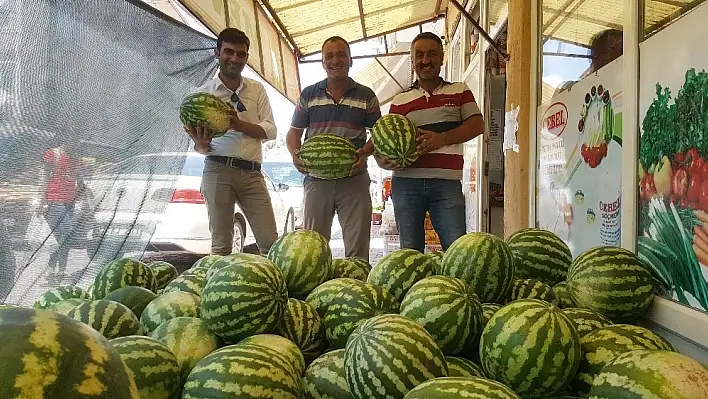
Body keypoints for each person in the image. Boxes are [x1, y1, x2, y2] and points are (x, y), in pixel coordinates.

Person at [377, 32, 485, 253]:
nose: (425, 61)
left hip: (446, 183)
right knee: (410, 252)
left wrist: (441, 139)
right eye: (420, 55)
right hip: (406, 183)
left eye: (431, 54)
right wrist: (383, 162)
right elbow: (384, 139)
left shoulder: (460, 90)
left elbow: (477, 125)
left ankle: (453, 287)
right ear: (413, 60)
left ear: (442, 58)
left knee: (457, 250)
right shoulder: (400, 100)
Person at [184, 28, 278, 256]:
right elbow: (199, 147)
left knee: (271, 244)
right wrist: (202, 143)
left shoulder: (256, 89)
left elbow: (271, 130)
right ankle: (219, 290)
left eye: (241, 54)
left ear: (246, 57)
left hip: (253, 174)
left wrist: (239, 125)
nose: (235, 59)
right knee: (221, 246)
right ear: (217, 53)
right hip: (218, 170)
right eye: (229, 52)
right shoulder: (203, 95)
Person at [286, 36, 382, 261]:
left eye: (341, 55)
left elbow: (379, 133)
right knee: (312, 248)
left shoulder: (366, 95)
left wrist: (366, 152)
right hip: (317, 180)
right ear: (322, 62)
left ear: (350, 60)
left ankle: (356, 289)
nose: (335, 60)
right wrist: (294, 154)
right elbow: (293, 132)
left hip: (354, 179)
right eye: (329, 56)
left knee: (358, 249)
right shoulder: (309, 94)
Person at [42, 143, 78, 276]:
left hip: (70, 200)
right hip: (54, 198)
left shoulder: (75, 157)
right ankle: (53, 268)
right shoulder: (52, 154)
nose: (76, 142)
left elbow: (78, 178)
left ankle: (59, 269)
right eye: (74, 139)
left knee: (62, 237)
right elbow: (44, 177)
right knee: (66, 232)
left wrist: (84, 196)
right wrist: (41, 200)